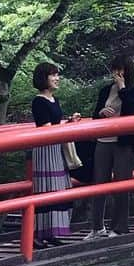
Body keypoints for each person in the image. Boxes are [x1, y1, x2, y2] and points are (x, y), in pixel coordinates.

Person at [85, 54, 134, 238]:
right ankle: (96, 227)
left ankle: (119, 227)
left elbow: (131, 109)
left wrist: (122, 88)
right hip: (103, 141)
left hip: (122, 143)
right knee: (99, 184)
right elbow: (95, 116)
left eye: (121, 70)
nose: (118, 73)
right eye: (115, 69)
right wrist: (101, 112)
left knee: (121, 185)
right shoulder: (105, 91)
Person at [31, 62, 80, 247]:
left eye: (57, 74)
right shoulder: (38, 101)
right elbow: (46, 128)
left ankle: (52, 232)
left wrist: (68, 122)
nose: (57, 78)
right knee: (47, 187)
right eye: (53, 75)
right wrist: (65, 126)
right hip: (45, 149)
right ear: (44, 78)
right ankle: (38, 233)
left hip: (57, 147)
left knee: (60, 188)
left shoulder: (55, 100)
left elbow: (56, 124)